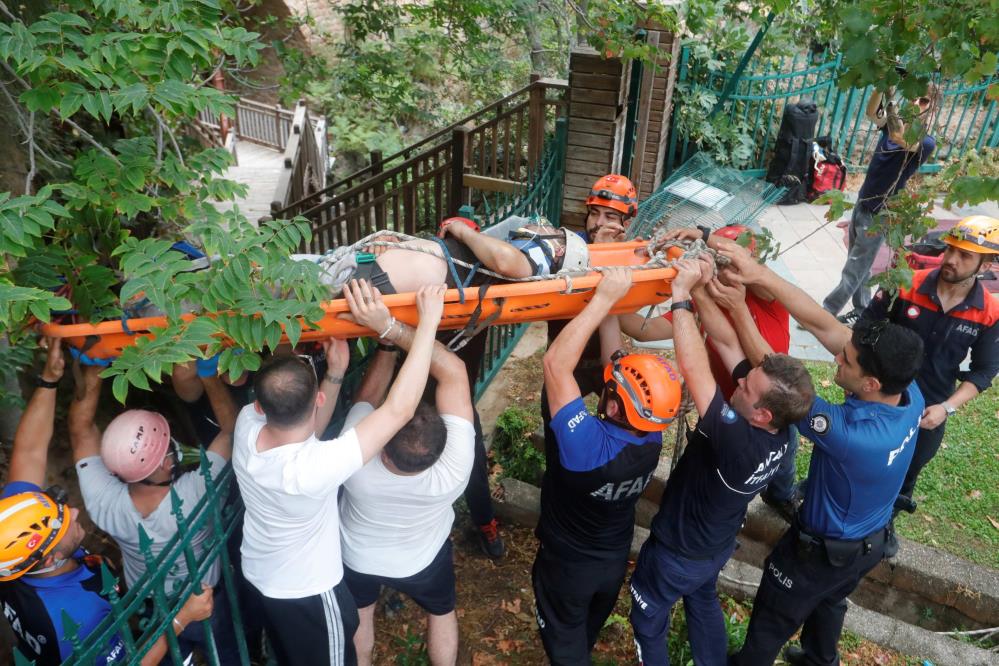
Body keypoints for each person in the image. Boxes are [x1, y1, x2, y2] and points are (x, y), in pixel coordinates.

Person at [719, 241, 926, 666]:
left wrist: (739, 308)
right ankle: (819, 660)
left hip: (819, 554)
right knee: (830, 604)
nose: (836, 356)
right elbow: (819, 321)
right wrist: (759, 275)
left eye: (846, 361)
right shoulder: (909, 393)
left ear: (870, 384)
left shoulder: (853, 435)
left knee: (770, 622)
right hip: (867, 545)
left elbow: (781, 385)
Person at [231, 279, 444, 666]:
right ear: (319, 401)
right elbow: (399, 410)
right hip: (308, 594)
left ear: (261, 406)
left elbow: (302, 430)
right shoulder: (313, 470)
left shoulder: (249, 428)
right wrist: (427, 323)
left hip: (261, 577)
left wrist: (335, 373)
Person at [629, 256, 814, 666]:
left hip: (677, 552)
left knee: (647, 620)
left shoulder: (737, 438)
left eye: (747, 385)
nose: (740, 380)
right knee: (702, 600)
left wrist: (679, 298)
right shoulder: (780, 427)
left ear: (762, 413)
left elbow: (696, 369)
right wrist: (698, 287)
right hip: (713, 547)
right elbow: (728, 342)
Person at [0, 339, 215, 665]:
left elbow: (28, 451)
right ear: (48, 559)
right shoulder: (76, 616)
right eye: (63, 525)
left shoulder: (13, 530)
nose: (73, 511)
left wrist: (49, 379)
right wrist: (181, 618)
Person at [534, 266, 682, 663]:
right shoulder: (651, 436)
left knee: (565, 649)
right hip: (611, 560)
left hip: (567, 566)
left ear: (612, 404)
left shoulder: (586, 448)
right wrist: (613, 301)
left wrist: (600, 300)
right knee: (583, 633)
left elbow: (555, 366)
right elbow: (615, 359)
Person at [68, 356, 243, 664]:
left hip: (151, 607)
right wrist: (209, 375)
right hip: (206, 600)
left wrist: (92, 366)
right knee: (226, 655)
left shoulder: (104, 503)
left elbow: (81, 430)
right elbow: (231, 431)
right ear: (164, 462)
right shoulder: (196, 490)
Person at [621, 224, 800, 518]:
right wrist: (606, 300)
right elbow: (645, 330)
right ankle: (730, 513)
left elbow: (767, 364)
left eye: (731, 264)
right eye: (717, 263)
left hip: (772, 409)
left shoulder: (769, 298)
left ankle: (781, 496)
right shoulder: (709, 300)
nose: (724, 271)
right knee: (721, 474)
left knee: (783, 461)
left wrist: (705, 239)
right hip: (727, 411)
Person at [338, 291, 476, 666]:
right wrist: (404, 327)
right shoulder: (454, 472)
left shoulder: (355, 462)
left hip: (358, 558)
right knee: (442, 611)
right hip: (423, 561)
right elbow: (454, 372)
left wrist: (387, 341)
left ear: (381, 443)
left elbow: (365, 399)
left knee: (361, 616)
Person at [860, 215, 999, 508]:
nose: (951, 259)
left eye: (964, 255)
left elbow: (985, 370)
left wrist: (947, 408)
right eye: (949, 250)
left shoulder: (989, 312)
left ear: (985, 265)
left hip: (930, 410)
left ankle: (884, 528)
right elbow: (865, 328)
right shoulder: (905, 284)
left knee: (906, 475)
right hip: (878, 396)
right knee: (858, 460)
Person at [823, 85, 939, 324]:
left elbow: (899, 136)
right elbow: (871, 112)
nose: (916, 103)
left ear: (933, 109)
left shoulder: (925, 142)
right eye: (913, 97)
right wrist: (881, 87)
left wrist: (890, 98)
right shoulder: (891, 124)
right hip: (864, 201)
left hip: (881, 212)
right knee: (860, 266)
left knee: (854, 268)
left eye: (924, 101)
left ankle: (825, 313)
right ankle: (862, 309)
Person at [303, 217, 588, 296]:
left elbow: (507, 262)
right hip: (353, 269)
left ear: (558, 248)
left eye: (547, 226)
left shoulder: (534, 258)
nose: (539, 223)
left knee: (264, 275)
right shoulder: (499, 254)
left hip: (348, 278)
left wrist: (462, 232)